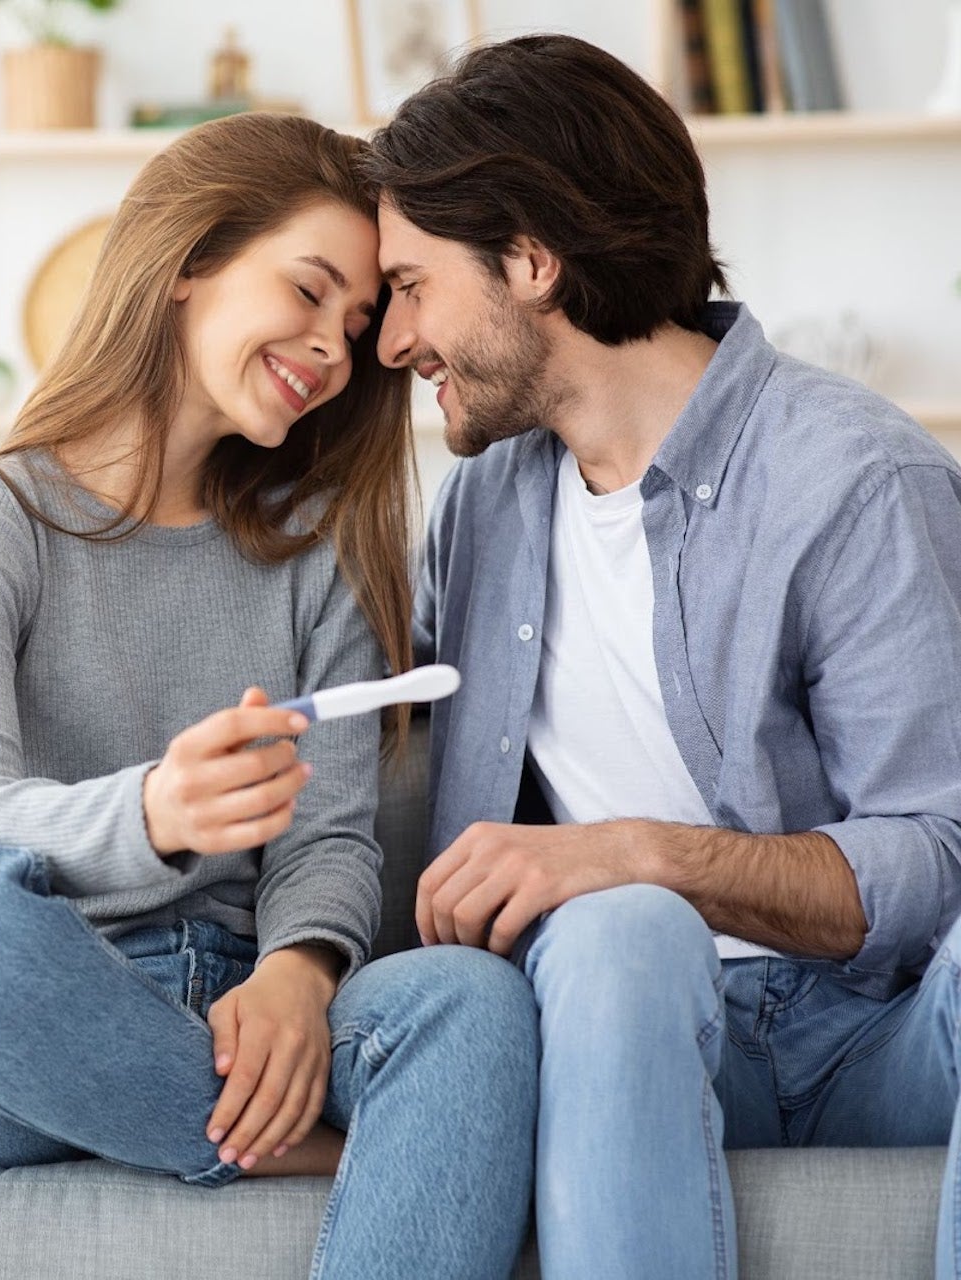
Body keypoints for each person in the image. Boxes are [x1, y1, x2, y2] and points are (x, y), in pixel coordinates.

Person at [0, 111, 537, 1280]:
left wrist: (296, 972)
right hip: (27, 1015)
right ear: (186, 265)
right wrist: (156, 812)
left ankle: (199, 1118)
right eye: (308, 290)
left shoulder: (318, 554)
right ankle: (300, 1149)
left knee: (470, 999)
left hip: (234, 1006)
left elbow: (330, 838)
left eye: (356, 325)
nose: (332, 349)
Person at [364, 33, 961, 1278]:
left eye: (412, 286)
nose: (392, 338)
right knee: (619, 928)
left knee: (627, 894)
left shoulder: (856, 480)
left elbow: (938, 852)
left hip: (882, 1037)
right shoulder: (484, 508)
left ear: (531, 261)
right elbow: (377, 713)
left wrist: (640, 850)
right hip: (633, 1024)